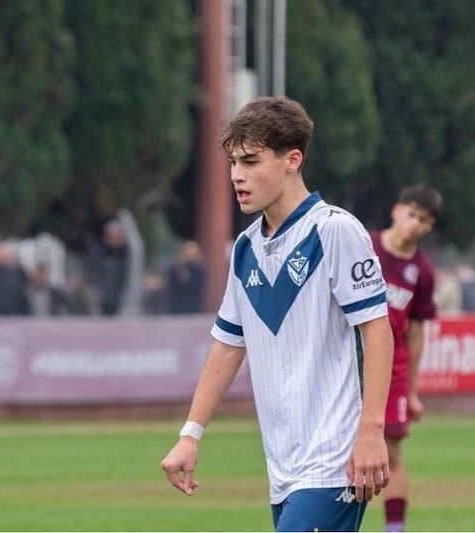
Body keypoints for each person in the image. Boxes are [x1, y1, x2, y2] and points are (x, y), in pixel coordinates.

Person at [160, 97, 394, 532]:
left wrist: (371, 431)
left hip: (334, 463)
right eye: (233, 163)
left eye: (250, 161)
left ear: (293, 160)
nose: (237, 175)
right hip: (283, 468)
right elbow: (228, 345)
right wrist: (190, 434)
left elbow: (377, 331)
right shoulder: (246, 248)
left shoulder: (335, 231)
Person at [369, 183, 442, 532]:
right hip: (350, 360)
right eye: (412, 214)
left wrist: (411, 391)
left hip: (393, 367)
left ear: (429, 227)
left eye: (423, 220)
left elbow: (415, 334)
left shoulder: (423, 273)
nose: (415, 224)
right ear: (397, 211)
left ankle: (394, 529)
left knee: (391, 453)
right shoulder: (362, 247)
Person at [87, 219, 130, 315]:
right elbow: (92, 275)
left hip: (121, 299)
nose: (114, 239)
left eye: (117, 236)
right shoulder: (98, 254)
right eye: (111, 236)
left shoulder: (128, 256)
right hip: (102, 299)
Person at [0, 243, 30, 315]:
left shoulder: (16, 272)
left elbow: (26, 285)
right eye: (2, 256)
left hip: (14, 314)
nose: (4, 258)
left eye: (6, 256)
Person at [167, 240, 206, 314]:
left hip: (192, 307)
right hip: (177, 307)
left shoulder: (198, 269)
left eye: (192, 254)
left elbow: (193, 284)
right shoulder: (176, 267)